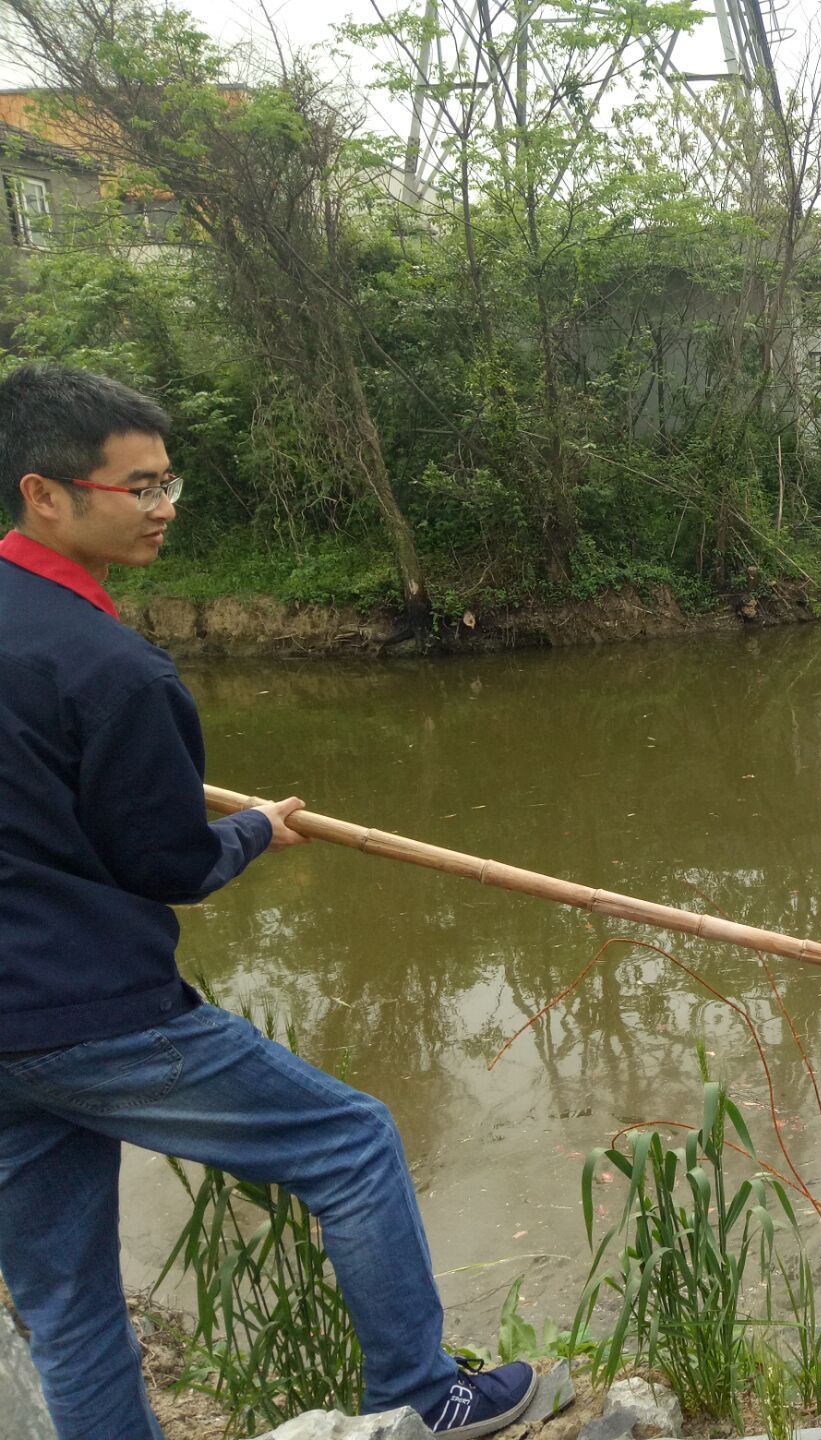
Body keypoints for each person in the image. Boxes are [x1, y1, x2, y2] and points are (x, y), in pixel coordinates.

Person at [0, 364, 537, 1439]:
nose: (164, 510)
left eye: (168, 483)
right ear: (44, 493)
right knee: (353, 1143)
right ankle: (427, 1397)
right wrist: (255, 828)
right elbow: (166, 862)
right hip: (86, 1011)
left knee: (64, 1297)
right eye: (138, 488)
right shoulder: (117, 671)